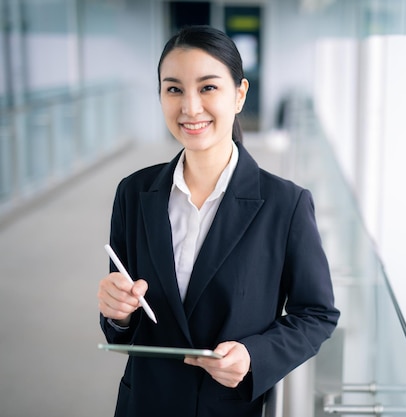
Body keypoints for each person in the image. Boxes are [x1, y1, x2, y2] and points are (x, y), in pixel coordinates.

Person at [97, 25, 340, 417]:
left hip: (227, 407)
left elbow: (317, 314)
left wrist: (253, 355)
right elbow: (123, 324)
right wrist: (119, 312)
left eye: (208, 88)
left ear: (239, 94)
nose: (190, 108)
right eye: (174, 89)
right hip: (145, 402)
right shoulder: (133, 193)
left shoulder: (286, 204)